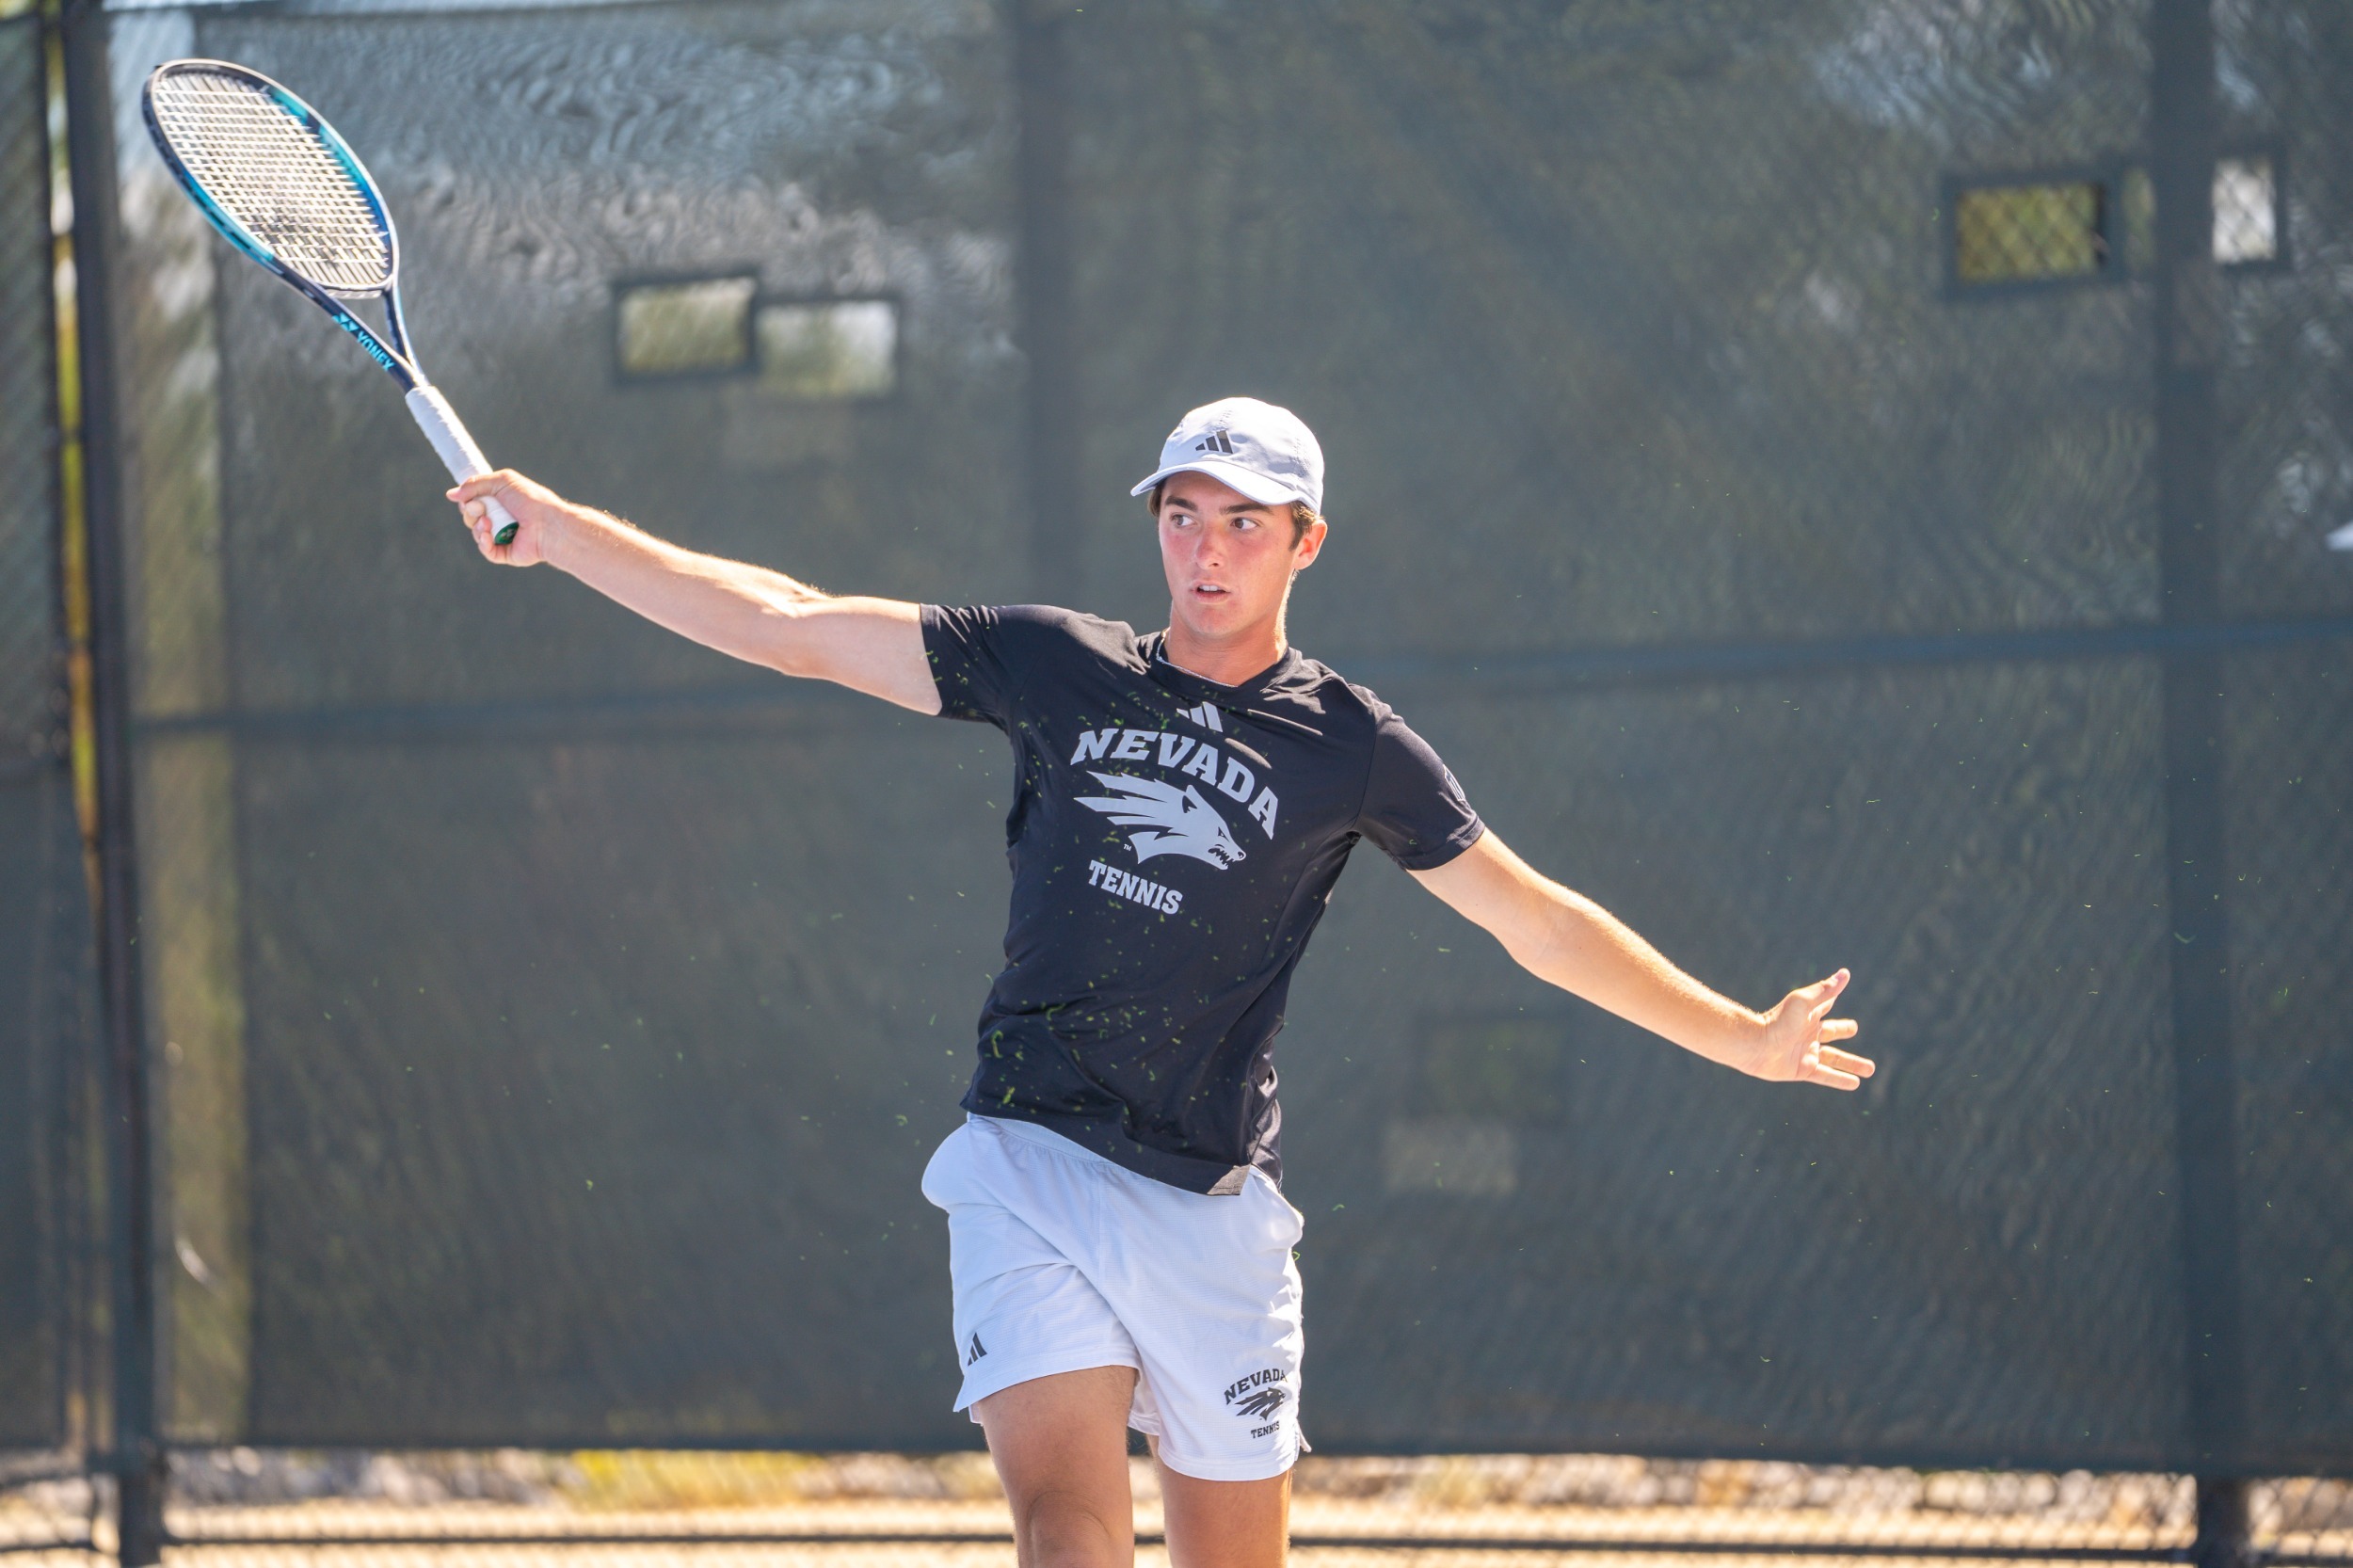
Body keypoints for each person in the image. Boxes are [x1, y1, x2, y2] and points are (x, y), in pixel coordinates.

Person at [448, 396, 1872, 1568]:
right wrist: (563, 535)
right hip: (1027, 1159)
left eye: (1244, 521)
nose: (1205, 547)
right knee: (1069, 1535)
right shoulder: (1057, 666)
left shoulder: (1350, 745)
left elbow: (1536, 920)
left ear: (1304, 542)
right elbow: (792, 618)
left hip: (1210, 1217)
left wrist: (1742, 1036)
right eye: (1183, 515)